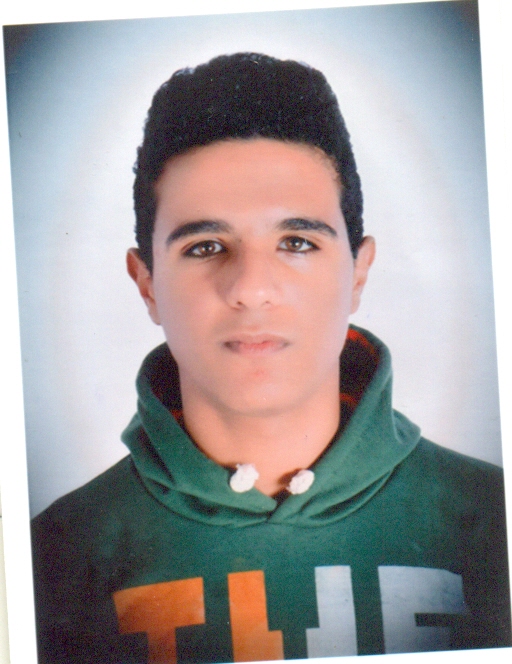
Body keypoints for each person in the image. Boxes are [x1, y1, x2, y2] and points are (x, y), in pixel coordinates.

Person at [31, 52, 511, 664]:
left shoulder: (494, 521)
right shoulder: (50, 560)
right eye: (205, 246)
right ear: (146, 283)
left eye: (297, 241)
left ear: (359, 272)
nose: (252, 288)